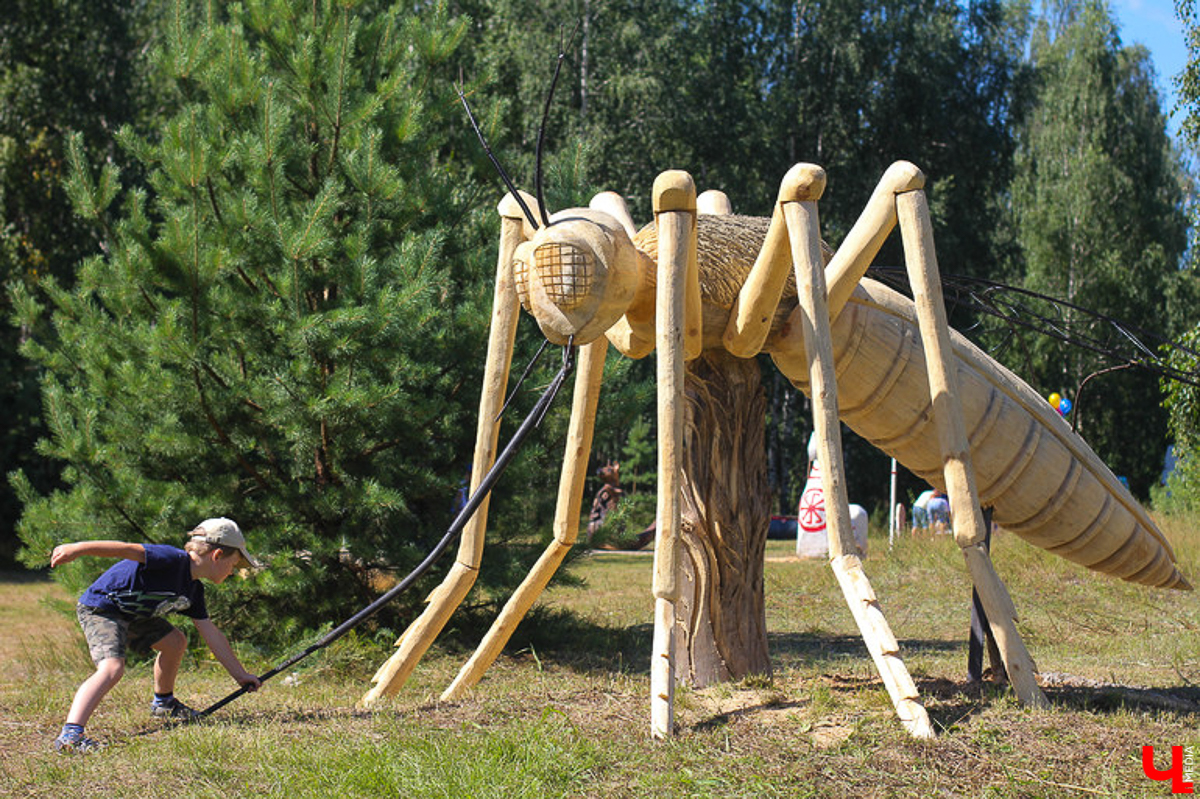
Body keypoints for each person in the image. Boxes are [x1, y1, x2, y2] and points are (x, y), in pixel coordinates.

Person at [48, 518, 263, 753]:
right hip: (103, 609)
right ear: (217, 555)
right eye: (234, 564)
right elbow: (124, 549)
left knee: (175, 642)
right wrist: (77, 549)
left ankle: (164, 703)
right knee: (112, 668)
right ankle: (71, 735)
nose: (233, 571)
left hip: (134, 616)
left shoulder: (193, 590)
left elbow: (212, 634)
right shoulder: (171, 559)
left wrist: (240, 675)